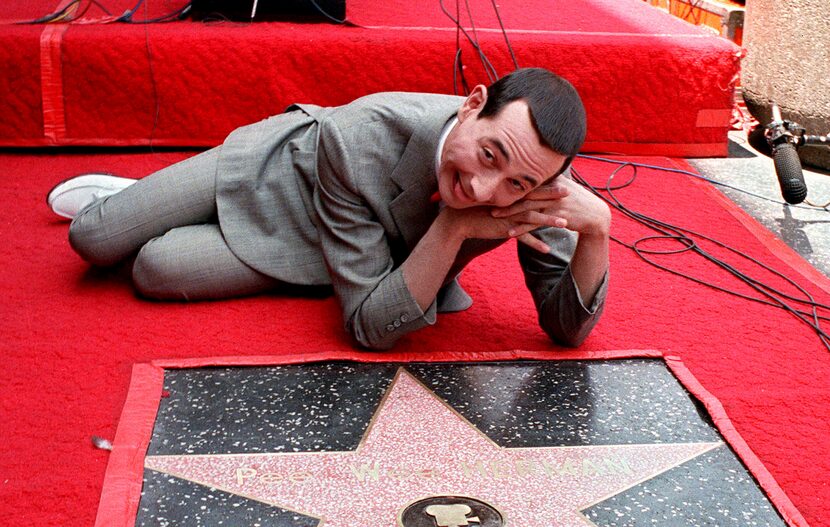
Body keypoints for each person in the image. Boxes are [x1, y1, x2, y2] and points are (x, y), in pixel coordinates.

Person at [48, 67, 610, 350]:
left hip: (337, 245)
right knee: (94, 238)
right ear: (472, 105)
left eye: (515, 182)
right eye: (487, 155)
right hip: (279, 172)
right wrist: (456, 226)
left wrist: (597, 233)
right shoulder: (359, 134)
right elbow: (370, 317)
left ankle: (180, 218)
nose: (486, 191)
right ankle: (148, 195)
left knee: (155, 269)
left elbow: (565, 331)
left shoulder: (537, 179)